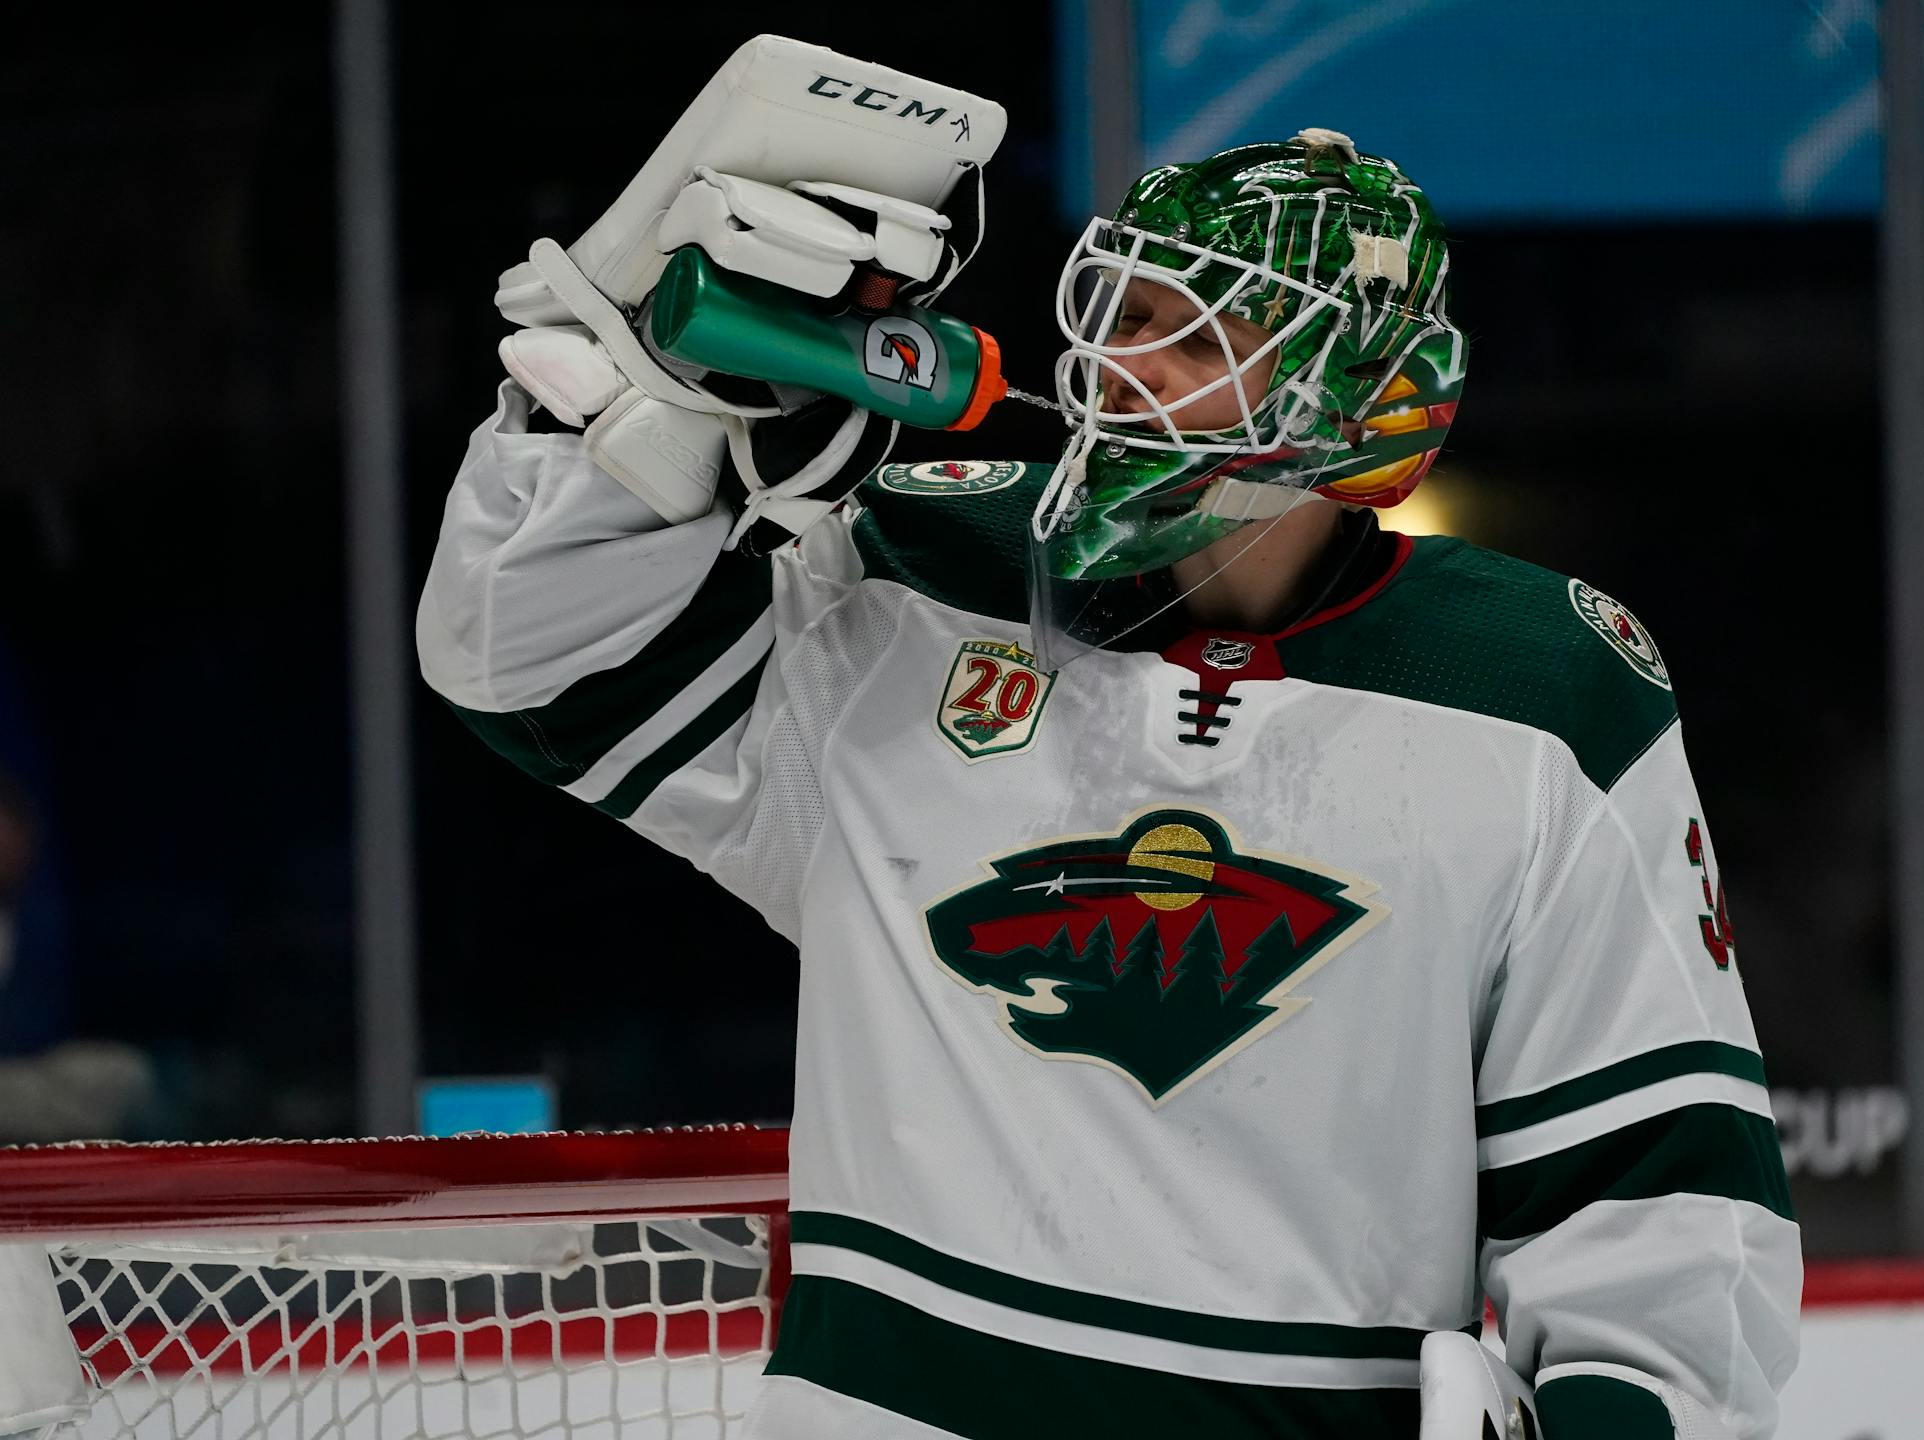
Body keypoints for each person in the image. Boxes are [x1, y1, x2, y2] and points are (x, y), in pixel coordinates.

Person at [420, 125, 1799, 1439]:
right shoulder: (917, 570)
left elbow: (1656, 1194)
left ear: (1361, 398)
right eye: (1124, 316)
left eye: (1199, 334)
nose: (1126, 368)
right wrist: (630, 411)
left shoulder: (1540, 688)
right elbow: (527, 662)